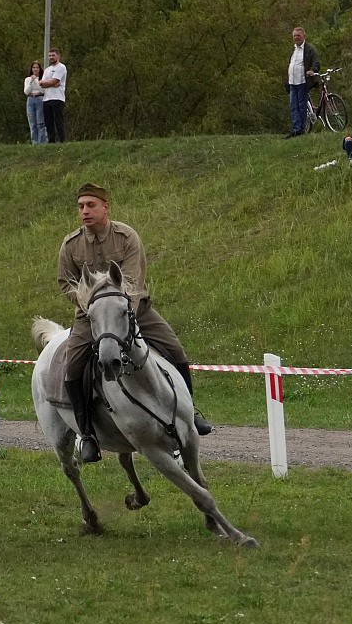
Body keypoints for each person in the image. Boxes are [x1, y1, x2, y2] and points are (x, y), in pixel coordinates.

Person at [57, 183, 212, 463]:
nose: (84, 212)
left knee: (175, 350)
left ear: (106, 207)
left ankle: (191, 415)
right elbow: (65, 282)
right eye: (81, 207)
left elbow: (134, 282)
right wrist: (90, 304)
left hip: (135, 311)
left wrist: (119, 308)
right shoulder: (70, 245)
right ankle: (88, 434)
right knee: (72, 367)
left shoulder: (127, 237)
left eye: (91, 205)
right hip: (89, 315)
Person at [284, 26, 319, 138]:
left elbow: (316, 62)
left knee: (301, 106)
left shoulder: (309, 49)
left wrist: (312, 70)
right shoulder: (293, 49)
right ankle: (296, 129)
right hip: (292, 82)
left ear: (304, 36)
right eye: (294, 36)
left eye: (298, 35)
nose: (296, 38)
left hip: (303, 82)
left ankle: (301, 129)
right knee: (293, 106)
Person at [40, 48, 68, 143]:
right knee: (48, 122)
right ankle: (51, 142)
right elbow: (42, 84)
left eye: (53, 55)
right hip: (46, 98)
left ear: (58, 56)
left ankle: (62, 140)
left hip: (57, 98)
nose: (51, 57)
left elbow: (55, 81)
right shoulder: (47, 70)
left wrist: (49, 83)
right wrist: (49, 83)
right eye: (50, 56)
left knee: (58, 121)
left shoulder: (61, 67)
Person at [24, 60, 47, 145]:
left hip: (40, 98)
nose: (35, 69)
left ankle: (42, 142)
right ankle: (35, 142)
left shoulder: (43, 79)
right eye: (33, 67)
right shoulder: (28, 79)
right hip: (30, 99)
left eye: (37, 67)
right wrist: (31, 82)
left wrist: (37, 81)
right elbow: (26, 91)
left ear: (39, 69)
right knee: (32, 123)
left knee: (40, 123)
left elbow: (43, 90)